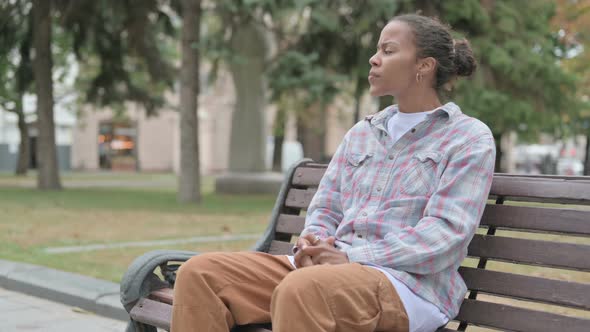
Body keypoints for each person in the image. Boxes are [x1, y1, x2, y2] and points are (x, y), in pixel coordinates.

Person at [171, 14, 496, 332]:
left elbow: (444, 236)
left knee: (303, 289)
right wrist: (313, 241)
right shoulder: (362, 133)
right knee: (200, 275)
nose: (374, 59)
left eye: (388, 50)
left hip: (408, 286)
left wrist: (351, 257)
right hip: (329, 272)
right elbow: (326, 207)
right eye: (377, 49)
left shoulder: (467, 138)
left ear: (424, 66)